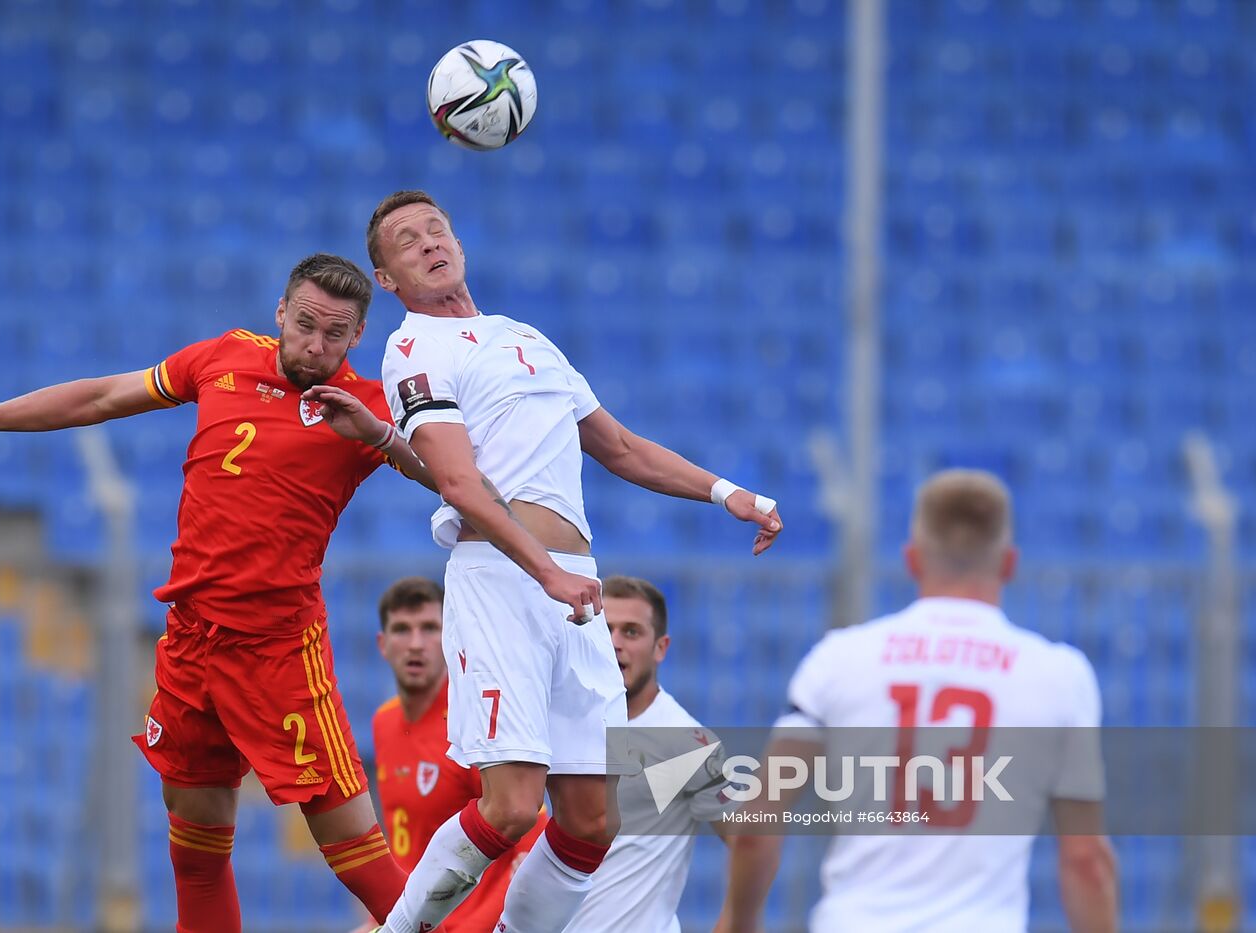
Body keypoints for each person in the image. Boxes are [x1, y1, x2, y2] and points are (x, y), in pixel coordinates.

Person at [0, 254, 432, 933]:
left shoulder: (365, 408)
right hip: (190, 642)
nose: (316, 346)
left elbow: (451, 477)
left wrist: (383, 435)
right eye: (305, 325)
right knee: (197, 849)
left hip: (279, 656)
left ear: (358, 336)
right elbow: (101, 396)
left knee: (359, 862)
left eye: (335, 334)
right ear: (280, 313)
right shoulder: (226, 357)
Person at [305, 189, 781, 933]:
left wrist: (728, 493)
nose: (430, 242)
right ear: (387, 278)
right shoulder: (412, 350)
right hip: (503, 582)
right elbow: (460, 483)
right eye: (407, 240)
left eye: (438, 228)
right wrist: (544, 570)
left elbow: (621, 447)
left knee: (593, 820)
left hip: (570, 587)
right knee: (512, 803)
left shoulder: (527, 338)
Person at [715, 469, 1119, 933]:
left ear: (912, 560)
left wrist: (740, 923)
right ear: (1009, 563)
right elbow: (1086, 858)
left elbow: (756, 824)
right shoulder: (1058, 675)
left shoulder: (841, 658)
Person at [365, 576, 544, 932]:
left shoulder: (472, 722)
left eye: (430, 628)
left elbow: (533, 833)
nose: (416, 644)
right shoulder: (383, 722)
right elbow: (408, 848)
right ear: (383, 645)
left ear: (450, 638)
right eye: (402, 629)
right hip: (412, 919)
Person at [562, 575, 735, 933]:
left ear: (661, 647)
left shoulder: (688, 743)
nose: (614, 643)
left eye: (631, 632)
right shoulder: (558, 723)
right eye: (605, 629)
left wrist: (733, 922)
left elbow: (749, 839)